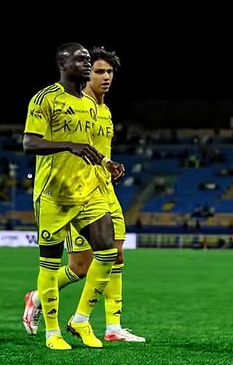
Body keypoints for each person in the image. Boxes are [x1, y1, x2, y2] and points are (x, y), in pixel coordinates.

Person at [22, 47, 145, 342]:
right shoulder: (59, 100)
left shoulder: (102, 111)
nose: (103, 76)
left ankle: (109, 325)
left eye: (108, 71)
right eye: (98, 70)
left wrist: (108, 164)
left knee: (115, 253)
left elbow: (93, 149)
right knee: (80, 265)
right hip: (68, 191)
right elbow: (42, 142)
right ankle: (38, 299)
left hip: (101, 189)